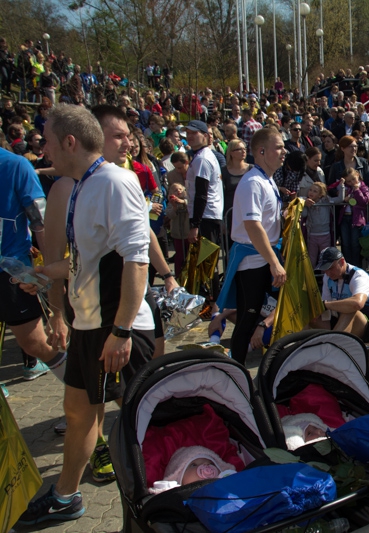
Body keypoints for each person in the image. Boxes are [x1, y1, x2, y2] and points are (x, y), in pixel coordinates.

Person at [17, 105, 155, 526]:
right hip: (90, 326)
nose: (43, 149)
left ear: (70, 142)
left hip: (115, 329)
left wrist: (121, 330)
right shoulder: (81, 185)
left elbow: (137, 259)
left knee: (139, 425)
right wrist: (45, 274)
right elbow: (88, 259)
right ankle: (66, 495)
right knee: (78, 412)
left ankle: (157, 503)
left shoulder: (115, 181)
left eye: (47, 140)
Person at [214, 127, 286, 364]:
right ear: (262, 151)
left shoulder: (268, 180)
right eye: (279, 147)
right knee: (247, 318)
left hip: (265, 259)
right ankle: (236, 371)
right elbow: (253, 226)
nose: (284, 151)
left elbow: (266, 220)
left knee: (264, 314)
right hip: (253, 262)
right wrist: (274, 263)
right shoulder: (252, 182)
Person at [0, 144, 67, 382]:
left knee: (35, 343)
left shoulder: (16, 165)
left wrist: (51, 270)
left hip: (9, 270)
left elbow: (41, 223)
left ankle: (81, 392)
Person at [185, 119, 224, 299]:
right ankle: (210, 300)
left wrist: (195, 224)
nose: (190, 136)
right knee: (207, 262)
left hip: (206, 217)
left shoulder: (202, 159)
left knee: (207, 262)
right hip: (208, 215)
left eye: (195, 133)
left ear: (206, 136)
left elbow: (202, 193)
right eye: (188, 133)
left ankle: (212, 301)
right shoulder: (202, 156)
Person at [311, 247, 369, 343]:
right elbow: (325, 310)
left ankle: (332, 345)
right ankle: (299, 348)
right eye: (324, 269)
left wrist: (325, 304)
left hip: (367, 327)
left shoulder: (359, 276)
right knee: (310, 316)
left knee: (350, 309)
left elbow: (357, 304)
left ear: (342, 262)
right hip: (340, 321)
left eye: (330, 268)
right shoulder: (327, 277)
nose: (328, 273)